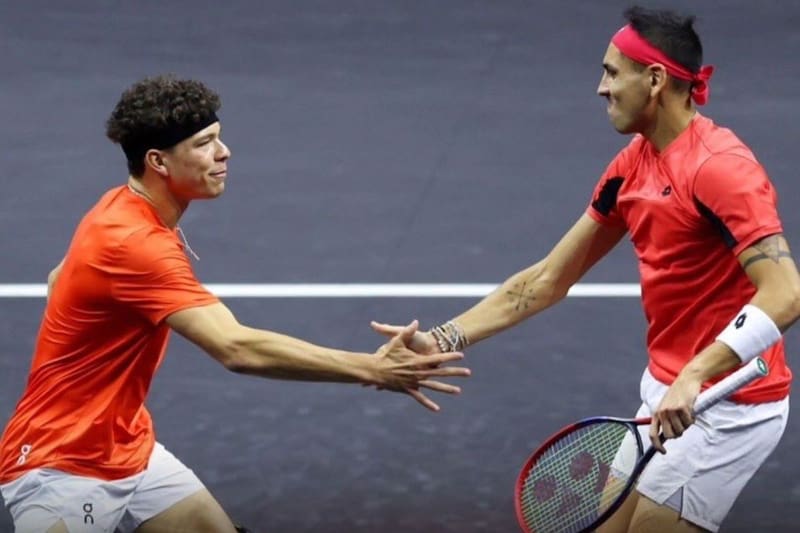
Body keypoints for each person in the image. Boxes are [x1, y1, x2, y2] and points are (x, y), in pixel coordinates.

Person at [372, 6, 800, 533]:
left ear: (656, 79)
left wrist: (696, 372)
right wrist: (442, 338)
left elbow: (785, 295)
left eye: (613, 72)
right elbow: (548, 278)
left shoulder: (721, 170)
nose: (601, 88)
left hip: (728, 407)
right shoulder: (631, 167)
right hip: (665, 395)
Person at [0, 75, 470, 533]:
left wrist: (92, 357)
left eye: (218, 138)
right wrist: (372, 369)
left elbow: (58, 277)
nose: (224, 153)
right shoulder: (135, 244)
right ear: (158, 162)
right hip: (60, 464)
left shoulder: (118, 207)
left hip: (125, 444)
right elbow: (237, 349)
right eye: (204, 144)